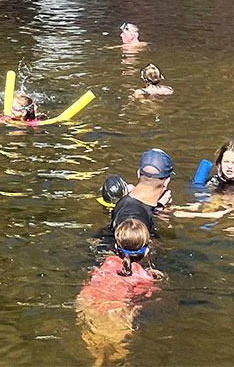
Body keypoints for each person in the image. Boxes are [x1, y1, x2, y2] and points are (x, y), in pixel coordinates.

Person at [76, 217, 157, 365]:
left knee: (95, 349)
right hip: (116, 310)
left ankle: (97, 361)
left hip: (89, 300)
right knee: (118, 352)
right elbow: (146, 296)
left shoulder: (109, 261)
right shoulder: (144, 276)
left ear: (116, 247)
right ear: (146, 251)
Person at [109, 149, 172, 232]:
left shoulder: (127, 204)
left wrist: (158, 209)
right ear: (166, 182)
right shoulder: (134, 219)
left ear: (138, 173)